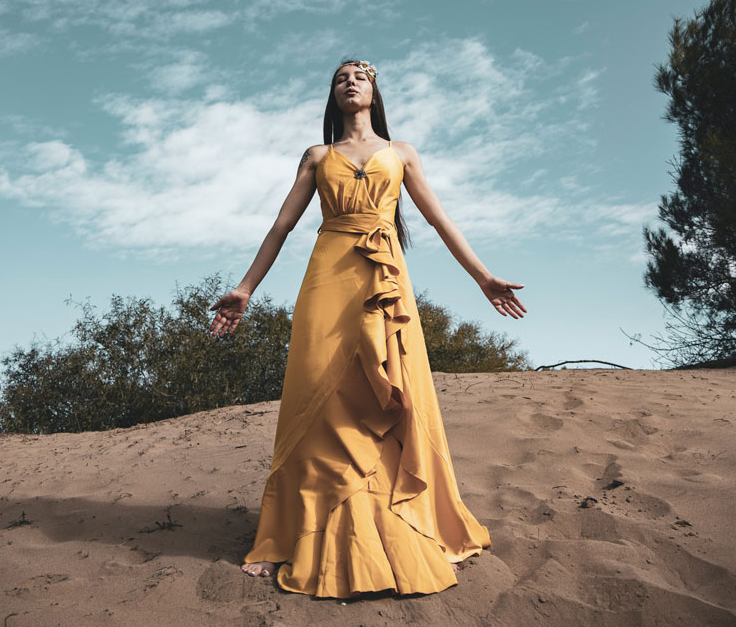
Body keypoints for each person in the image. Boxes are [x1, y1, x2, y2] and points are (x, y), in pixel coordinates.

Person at [209, 58, 527, 598]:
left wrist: (483, 277)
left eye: (360, 77)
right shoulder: (317, 156)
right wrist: (244, 289)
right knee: (318, 389)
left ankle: (397, 516)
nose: (350, 83)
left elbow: (438, 219)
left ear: (375, 92)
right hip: (327, 278)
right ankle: (293, 531)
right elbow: (281, 226)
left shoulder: (402, 153)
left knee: (389, 389)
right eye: (340, 78)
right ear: (332, 97)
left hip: (384, 279)